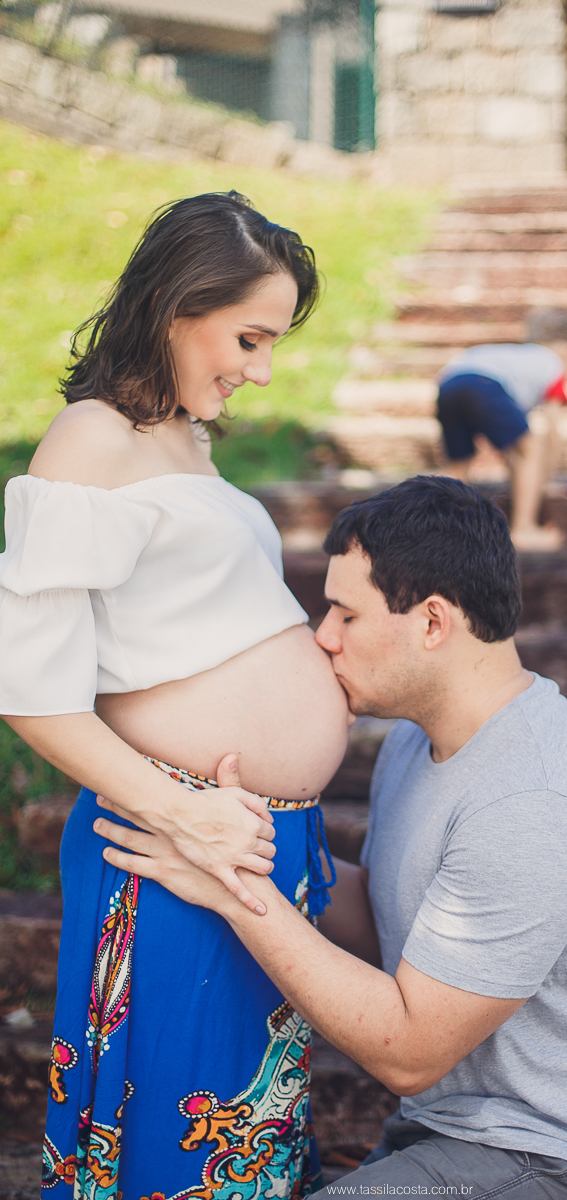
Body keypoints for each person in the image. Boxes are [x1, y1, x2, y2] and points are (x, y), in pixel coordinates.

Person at [97, 475, 567, 1200]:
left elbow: (409, 1052)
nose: (323, 636)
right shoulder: (418, 743)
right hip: (455, 1131)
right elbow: (387, 920)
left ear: (433, 623)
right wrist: (239, 834)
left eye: (346, 613)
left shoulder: (536, 801)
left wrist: (234, 887)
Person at [0, 192, 353, 1197]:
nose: (261, 369)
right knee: (174, 1137)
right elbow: (31, 690)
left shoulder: (186, 441)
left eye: (273, 343)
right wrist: (182, 813)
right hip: (171, 839)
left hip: (242, 835)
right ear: (176, 306)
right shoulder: (92, 440)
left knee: (246, 1129)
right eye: (247, 337)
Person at [437, 307, 567, 552]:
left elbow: (511, 446)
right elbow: (551, 430)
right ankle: (524, 528)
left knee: (458, 465)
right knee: (531, 447)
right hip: (484, 383)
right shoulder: (553, 365)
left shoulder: (516, 360)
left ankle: (441, 530)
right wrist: (544, 478)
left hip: (449, 381)